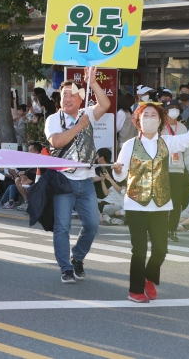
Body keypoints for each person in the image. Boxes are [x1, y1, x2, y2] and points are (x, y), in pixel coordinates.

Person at [112, 101, 189, 303]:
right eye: (145, 115)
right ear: (138, 120)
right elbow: (120, 176)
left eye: (153, 115)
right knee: (139, 249)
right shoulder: (130, 145)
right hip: (136, 203)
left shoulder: (166, 142)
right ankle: (135, 290)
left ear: (161, 120)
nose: (149, 119)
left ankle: (149, 277)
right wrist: (118, 170)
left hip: (162, 203)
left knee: (161, 249)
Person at [45, 68, 110, 284]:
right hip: (64, 180)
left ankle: (77, 257)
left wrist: (92, 83)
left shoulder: (88, 113)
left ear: (81, 98)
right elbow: (56, 142)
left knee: (92, 224)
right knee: (62, 226)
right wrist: (79, 126)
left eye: (72, 94)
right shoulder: (54, 119)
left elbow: (105, 105)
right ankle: (65, 267)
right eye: (64, 95)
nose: (67, 98)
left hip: (86, 180)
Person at [162, 99, 189, 242]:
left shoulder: (182, 128)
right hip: (162, 168)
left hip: (178, 169)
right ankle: (159, 229)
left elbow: (188, 151)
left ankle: (172, 230)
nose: (174, 111)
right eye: (171, 108)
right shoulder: (160, 126)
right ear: (165, 110)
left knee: (175, 202)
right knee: (161, 201)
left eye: (176, 108)